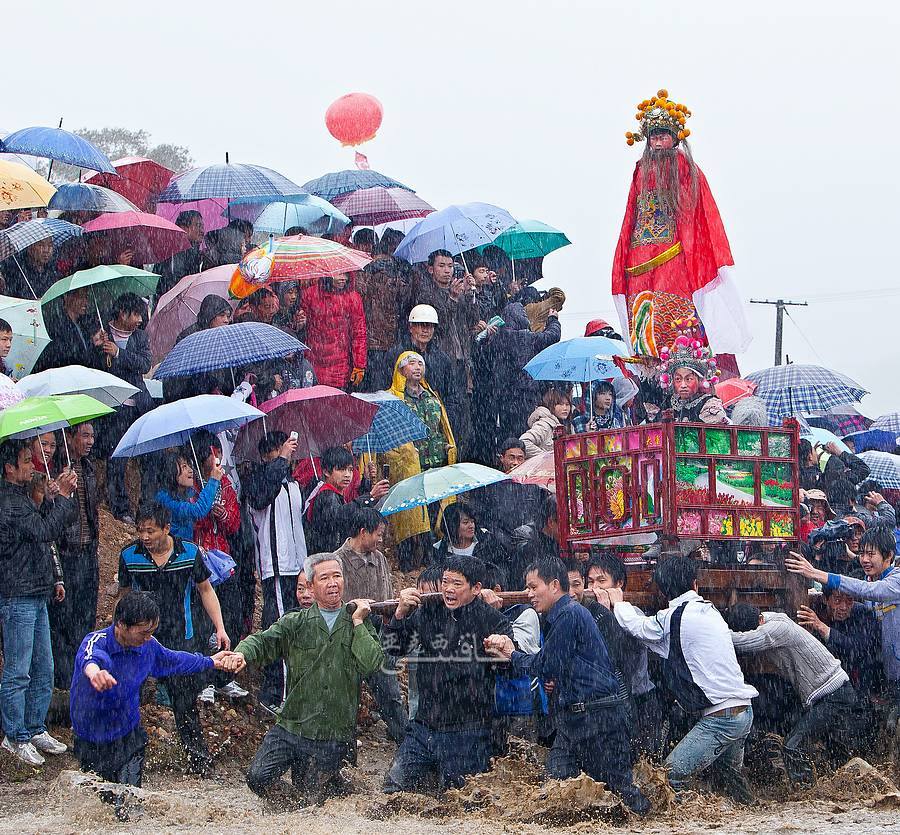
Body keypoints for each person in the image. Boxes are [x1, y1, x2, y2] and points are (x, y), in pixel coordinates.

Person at [483, 557, 650, 815]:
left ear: (553, 585)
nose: (528, 594)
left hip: (598, 718)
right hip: (575, 719)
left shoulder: (569, 615)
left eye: (532, 587)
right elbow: (555, 666)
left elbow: (546, 665)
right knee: (555, 792)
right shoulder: (561, 616)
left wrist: (512, 654)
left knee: (621, 792)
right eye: (526, 588)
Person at [225, 552, 384, 805]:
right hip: (293, 725)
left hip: (334, 733)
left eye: (337, 576)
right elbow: (262, 641)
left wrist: (357, 623)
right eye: (325, 578)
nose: (333, 583)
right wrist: (242, 654)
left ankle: (329, 788)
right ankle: (289, 806)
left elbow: (372, 663)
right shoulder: (296, 623)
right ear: (310, 586)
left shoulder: (360, 621)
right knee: (258, 777)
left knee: (317, 802)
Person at [611, 88, 749, 361]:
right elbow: (631, 214)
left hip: (672, 254)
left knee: (672, 317)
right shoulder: (640, 168)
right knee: (643, 317)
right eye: (653, 136)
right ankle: (648, 363)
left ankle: (681, 361)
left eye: (663, 136)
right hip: (639, 256)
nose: (657, 142)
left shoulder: (684, 166)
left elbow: (693, 213)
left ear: (674, 138)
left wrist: (690, 251)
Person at [607, 556, 758, 803]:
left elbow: (636, 626)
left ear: (663, 591)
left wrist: (618, 602)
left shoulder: (672, 617)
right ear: (695, 585)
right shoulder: (710, 611)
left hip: (722, 718)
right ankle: (751, 811)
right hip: (743, 711)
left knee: (667, 778)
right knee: (727, 775)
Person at [71, 592, 231, 821]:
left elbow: (173, 660)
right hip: (91, 737)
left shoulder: (149, 646)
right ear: (121, 625)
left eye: (152, 632)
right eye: (144, 632)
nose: (148, 638)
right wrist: (95, 673)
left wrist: (211, 661)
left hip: (128, 734)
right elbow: (90, 657)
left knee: (128, 807)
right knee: (101, 809)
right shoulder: (97, 641)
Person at [382, 556, 513, 792]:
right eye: (445, 582)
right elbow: (392, 648)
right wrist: (399, 615)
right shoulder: (430, 612)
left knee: (457, 798)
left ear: (476, 588)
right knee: (393, 789)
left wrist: (502, 647)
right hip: (425, 725)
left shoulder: (493, 621)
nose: (449, 589)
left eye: (457, 584)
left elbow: (509, 668)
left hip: (468, 730)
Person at [116, 503, 229, 774]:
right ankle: (119, 758)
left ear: (167, 528)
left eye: (151, 531)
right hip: (141, 639)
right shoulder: (130, 556)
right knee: (126, 695)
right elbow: (123, 596)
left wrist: (220, 628)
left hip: (181, 637)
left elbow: (205, 590)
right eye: (141, 530)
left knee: (184, 701)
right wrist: (117, 632)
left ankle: (197, 760)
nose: (145, 536)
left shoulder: (189, 552)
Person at [0, 438, 77, 765]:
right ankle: (14, 735)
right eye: (26, 462)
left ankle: (34, 726)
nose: (33, 466)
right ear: (10, 469)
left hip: (36, 590)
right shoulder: (9, 502)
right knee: (18, 670)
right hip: (17, 593)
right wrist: (62, 501)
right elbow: (44, 531)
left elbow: (45, 524)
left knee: (43, 667)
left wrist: (56, 496)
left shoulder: (21, 498)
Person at [726, 602, 855, 785]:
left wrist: (716, 632)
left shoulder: (777, 628)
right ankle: (838, 789)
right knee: (832, 749)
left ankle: (806, 795)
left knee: (792, 746)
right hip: (831, 694)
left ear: (760, 620)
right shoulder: (772, 618)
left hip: (834, 695)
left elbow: (745, 642)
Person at [786, 527, 900, 704]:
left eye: (871, 554)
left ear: (889, 556)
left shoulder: (895, 581)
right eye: (861, 554)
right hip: (889, 673)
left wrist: (815, 573)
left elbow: (869, 591)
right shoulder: (871, 580)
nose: (865, 560)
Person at [243, 431, 307, 708]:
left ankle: (294, 692)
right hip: (276, 567)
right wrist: (279, 460)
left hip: (298, 567)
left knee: (298, 630)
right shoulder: (257, 481)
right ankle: (274, 696)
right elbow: (260, 498)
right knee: (279, 628)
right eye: (279, 453)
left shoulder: (293, 484)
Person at [333, 506, 407, 743]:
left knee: (388, 688)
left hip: (378, 630)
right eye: (378, 534)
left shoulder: (380, 559)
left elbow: (387, 595)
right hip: (346, 632)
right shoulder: (337, 561)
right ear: (363, 532)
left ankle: (402, 736)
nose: (381, 539)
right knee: (342, 693)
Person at [585, 554, 663, 759]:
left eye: (602, 581)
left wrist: (606, 615)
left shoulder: (631, 613)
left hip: (638, 701)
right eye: (590, 582)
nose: (594, 589)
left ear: (618, 584)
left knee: (642, 763)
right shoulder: (587, 613)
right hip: (604, 703)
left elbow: (616, 655)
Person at [384, 351, 457, 571]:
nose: (417, 367)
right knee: (411, 515)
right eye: (412, 363)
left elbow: (442, 428)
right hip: (410, 466)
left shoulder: (431, 396)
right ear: (401, 369)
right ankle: (408, 562)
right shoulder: (394, 399)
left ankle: (434, 560)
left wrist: (447, 447)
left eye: (420, 363)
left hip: (435, 463)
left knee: (436, 514)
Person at [188, 432, 246, 703]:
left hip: (223, 559)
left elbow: (235, 524)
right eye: (213, 455)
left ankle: (225, 677)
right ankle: (204, 680)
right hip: (200, 558)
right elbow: (192, 517)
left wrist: (225, 516)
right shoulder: (192, 488)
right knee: (203, 622)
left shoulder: (226, 487)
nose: (218, 460)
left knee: (230, 616)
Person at [92, 292, 153, 524]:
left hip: (138, 405)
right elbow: (92, 368)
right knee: (116, 457)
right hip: (114, 407)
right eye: (135, 314)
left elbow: (144, 363)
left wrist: (118, 353)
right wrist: (95, 347)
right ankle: (119, 506)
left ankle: (146, 508)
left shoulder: (140, 338)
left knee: (148, 458)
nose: (139, 320)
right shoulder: (102, 333)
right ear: (122, 313)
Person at [49, 422, 100, 690]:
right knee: (64, 618)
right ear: (69, 437)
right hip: (66, 552)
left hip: (88, 550)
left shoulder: (89, 469)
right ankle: (65, 678)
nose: (90, 441)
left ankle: (83, 671)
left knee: (85, 613)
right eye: (84, 435)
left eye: (92, 436)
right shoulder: (56, 469)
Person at [475, 301, 560, 461]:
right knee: (527, 435)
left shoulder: (496, 338)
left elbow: (479, 356)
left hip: (502, 400)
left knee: (510, 438)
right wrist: (553, 320)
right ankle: (525, 467)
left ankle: (509, 465)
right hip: (527, 397)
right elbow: (552, 337)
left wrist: (485, 337)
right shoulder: (527, 337)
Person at [798, 588, 882, 699]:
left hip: (857, 682)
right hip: (822, 682)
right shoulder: (814, 611)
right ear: (825, 599)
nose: (843, 607)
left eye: (849, 600)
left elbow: (859, 649)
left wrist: (822, 628)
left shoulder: (863, 613)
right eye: (837, 600)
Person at [386, 304, 458, 413]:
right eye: (421, 325)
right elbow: (384, 386)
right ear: (411, 328)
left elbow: (451, 395)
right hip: (402, 414)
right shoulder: (396, 355)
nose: (425, 330)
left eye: (429, 326)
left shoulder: (442, 359)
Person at [300, 273, 367, 390]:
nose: (343, 278)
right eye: (338, 274)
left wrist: (359, 365)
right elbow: (300, 327)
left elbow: (359, 333)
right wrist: (300, 322)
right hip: (314, 361)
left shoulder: (353, 298)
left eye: (346, 274)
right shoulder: (310, 294)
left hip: (339, 365)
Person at [656, 316, 729, 423]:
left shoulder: (709, 403)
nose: (683, 385)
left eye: (689, 379)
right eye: (678, 379)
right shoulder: (669, 403)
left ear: (700, 381)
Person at [357, 254, 411, 391]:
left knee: (378, 385)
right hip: (379, 342)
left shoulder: (366, 281)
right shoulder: (375, 284)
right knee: (381, 385)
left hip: (380, 342)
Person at [304, 446, 363, 554]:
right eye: (341, 469)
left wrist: (366, 485)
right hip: (325, 559)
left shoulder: (335, 494)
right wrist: (369, 497)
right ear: (326, 472)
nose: (347, 475)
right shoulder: (327, 495)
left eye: (350, 470)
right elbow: (339, 517)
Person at [430, 502, 508, 584]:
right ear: (452, 525)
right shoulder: (439, 550)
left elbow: (502, 569)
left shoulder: (487, 540)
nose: (471, 526)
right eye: (465, 522)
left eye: (472, 521)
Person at [155, 451, 223, 541]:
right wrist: (213, 480)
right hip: (174, 550)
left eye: (189, 465)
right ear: (171, 471)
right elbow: (198, 511)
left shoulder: (188, 493)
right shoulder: (165, 500)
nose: (190, 470)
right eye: (184, 467)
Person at [33, 286, 99, 373]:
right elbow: (64, 356)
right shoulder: (56, 325)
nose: (85, 302)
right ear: (67, 297)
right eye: (81, 297)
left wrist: (94, 343)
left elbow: (87, 355)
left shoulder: (83, 325)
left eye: (86, 297)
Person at [798, 439, 870, 516]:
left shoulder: (797, 478)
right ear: (810, 457)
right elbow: (863, 469)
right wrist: (839, 453)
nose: (816, 453)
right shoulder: (835, 479)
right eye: (814, 451)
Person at [154, 210, 204, 297]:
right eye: (198, 226)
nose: (202, 231)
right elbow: (174, 282)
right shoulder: (177, 251)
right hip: (174, 302)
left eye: (202, 226)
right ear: (184, 229)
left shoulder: (191, 250)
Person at [520, 387, 572, 458]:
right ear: (550, 404)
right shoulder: (544, 425)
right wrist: (545, 457)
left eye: (567, 404)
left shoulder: (568, 425)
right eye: (560, 404)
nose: (565, 408)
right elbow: (524, 441)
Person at [4, 234, 57, 299]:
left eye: (50, 245)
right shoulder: (18, 270)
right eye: (41, 245)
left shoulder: (52, 270)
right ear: (30, 248)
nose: (46, 250)